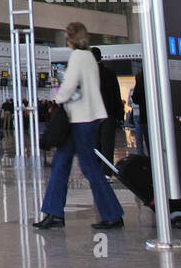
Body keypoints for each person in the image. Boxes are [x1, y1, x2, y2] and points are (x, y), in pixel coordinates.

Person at [33, 22, 125, 231]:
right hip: (86, 117)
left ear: (71, 38)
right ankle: (53, 212)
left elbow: (70, 85)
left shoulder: (77, 57)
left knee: (88, 167)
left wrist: (57, 99)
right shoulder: (91, 58)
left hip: (79, 120)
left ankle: (111, 214)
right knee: (61, 163)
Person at [91, 46, 123, 169]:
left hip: (93, 116)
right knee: (108, 146)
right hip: (109, 115)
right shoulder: (110, 74)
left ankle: (96, 171)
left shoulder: (89, 74)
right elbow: (116, 96)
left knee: (95, 145)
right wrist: (119, 116)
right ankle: (107, 172)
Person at [132, 70, 149, 155]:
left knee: (142, 137)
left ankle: (144, 157)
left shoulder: (140, 80)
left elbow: (135, 98)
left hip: (144, 115)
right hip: (154, 116)